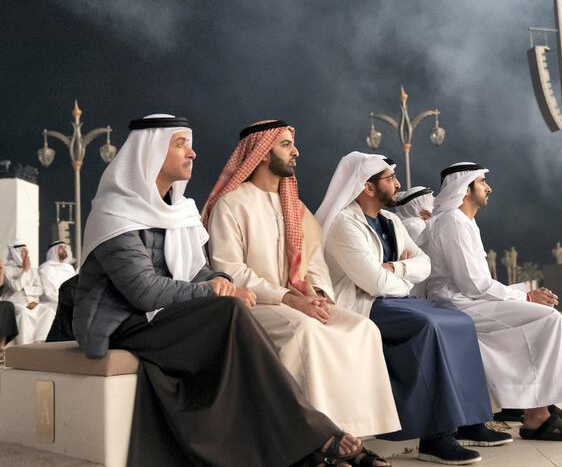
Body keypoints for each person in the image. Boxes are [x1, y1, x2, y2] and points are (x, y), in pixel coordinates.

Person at [74, 114, 363, 467]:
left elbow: (196, 271)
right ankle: (311, 436)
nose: (192, 153)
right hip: (123, 324)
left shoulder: (178, 211)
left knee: (235, 326)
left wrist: (221, 283)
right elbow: (143, 293)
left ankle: (297, 448)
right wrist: (216, 291)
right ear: (148, 153)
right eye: (180, 144)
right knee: (229, 313)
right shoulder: (115, 213)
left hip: (162, 318)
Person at [205, 120, 399, 465]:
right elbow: (231, 270)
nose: (295, 152)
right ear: (262, 153)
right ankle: (313, 442)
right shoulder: (232, 205)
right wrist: (290, 298)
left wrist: (317, 292)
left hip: (299, 301)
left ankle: (350, 437)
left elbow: (314, 262)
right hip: (254, 305)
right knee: (306, 332)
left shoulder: (296, 208)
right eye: (285, 145)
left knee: (362, 329)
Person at [318, 152, 511, 466]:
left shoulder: (391, 221)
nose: (397, 184)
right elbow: (374, 283)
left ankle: (470, 421)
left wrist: (394, 269)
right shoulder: (344, 223)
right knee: (429, 326)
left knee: (459, 321)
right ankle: (435, 437)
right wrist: (399, 275)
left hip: (394, 299)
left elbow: (424, 264)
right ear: (368, 187)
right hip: (363, 305)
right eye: (390, 179)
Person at [420, 162, 562, 441]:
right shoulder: (452, 221)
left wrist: (524, 296)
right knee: (545, 319)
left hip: (468, 300)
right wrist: (525, 295)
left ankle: (541, 404)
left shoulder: (462, 221)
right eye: (482, 182)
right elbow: (472, 284)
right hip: (457, 304)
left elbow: (476, 283)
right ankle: (536, 416)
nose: (489, 188)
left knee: (540, 316)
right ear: (465, 188)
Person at [0, 242, 55, 344]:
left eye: (26, 252)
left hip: (31, 303)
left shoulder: (33, 271)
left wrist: (25, 290)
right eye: (23, 252)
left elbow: (39, 289)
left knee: (48, 311)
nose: (26, 255)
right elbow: (16, 287)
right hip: (14, 303)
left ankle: (40, 341)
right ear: (15, 253)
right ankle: (24, 345)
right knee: (24, 314)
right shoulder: (7, 270)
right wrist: (25, 271)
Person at [38, 241, 76, 310]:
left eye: (65, 247)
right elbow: (48, 292)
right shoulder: (45, 269)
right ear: (53, 251)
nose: (65, 250)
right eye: (61, 247)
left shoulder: (69, 268)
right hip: (51, 303)